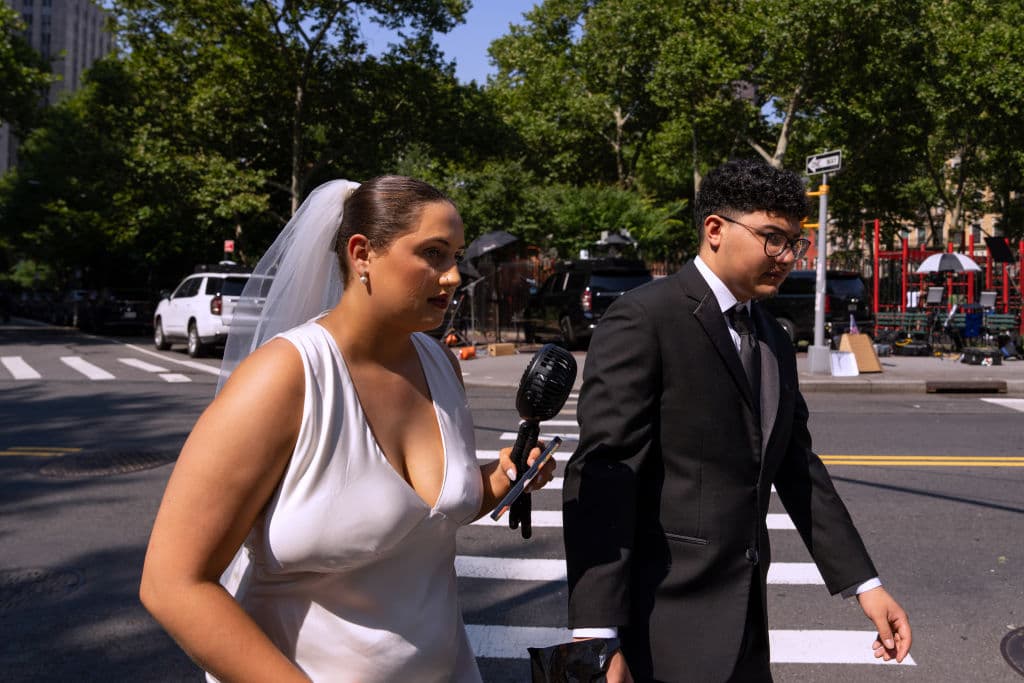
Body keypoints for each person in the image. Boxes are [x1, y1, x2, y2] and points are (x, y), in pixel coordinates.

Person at [140, 175, 554, 682]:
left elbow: (424, 520)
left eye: (456, 256)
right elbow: (172, 584)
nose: (452, 277)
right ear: (362, 254)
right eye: (433, 253)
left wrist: (502, 477)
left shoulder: (442, 364)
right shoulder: (285, 378)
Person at [562, 159, 912, 682]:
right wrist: (596, 635)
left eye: (795, 243)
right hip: (660, 626)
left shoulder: (770, 332)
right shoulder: (644, 318)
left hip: (745, 626)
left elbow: (797, 467)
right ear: (715, 230)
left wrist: (865, 583)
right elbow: (605, 472)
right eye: (772, 238)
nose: (787, 257)